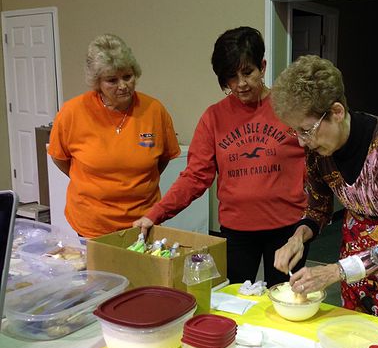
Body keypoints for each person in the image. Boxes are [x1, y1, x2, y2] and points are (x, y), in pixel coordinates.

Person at [272, 55, 378, 325]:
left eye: (306, 130)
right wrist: (297, 237)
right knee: (354, 321)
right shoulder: (318, 151)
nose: (303, 142)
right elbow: (318, 208)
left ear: (337, 112)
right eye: (296, 132)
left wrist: (334, 271)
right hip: (360, 234)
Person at [134, 26, 308, 286]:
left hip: (287, 229)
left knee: (286, 300)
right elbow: (195, 176)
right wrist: (155, 214)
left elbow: (319, 163)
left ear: (262, 66)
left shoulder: (290, 109)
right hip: (237, 232)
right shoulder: (213, 118)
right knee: (235, 303)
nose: (241, 84)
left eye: (248, 72)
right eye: (231, 77)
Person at [48, 34, 180, 238]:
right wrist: (90, 183)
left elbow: (163, 158)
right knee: (97, 271)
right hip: (92, 223)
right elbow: (59, 157)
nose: (123, 85)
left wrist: (140, 183)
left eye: (128, 76)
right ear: (97, 83)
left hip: (143, 221)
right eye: (112, 80)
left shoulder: (154, 110)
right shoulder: (72, 112)